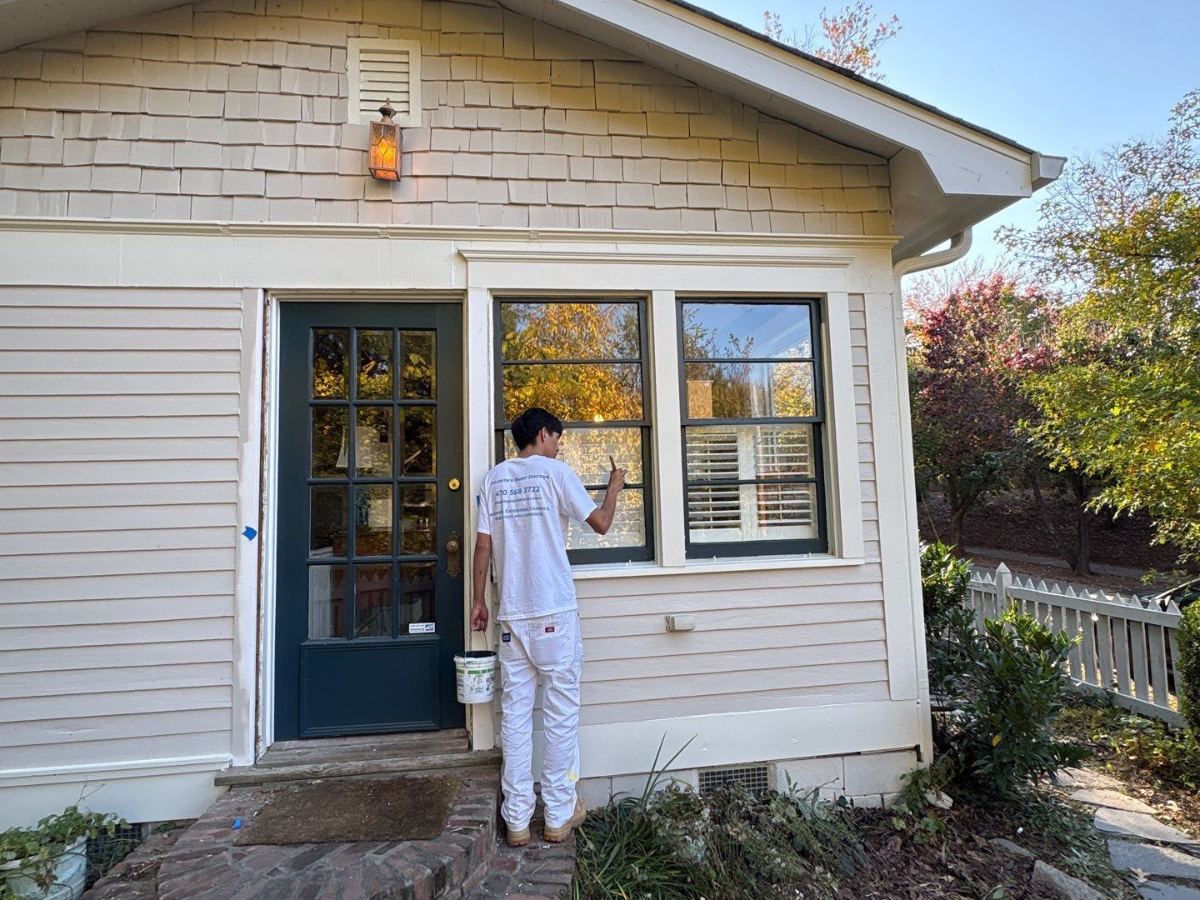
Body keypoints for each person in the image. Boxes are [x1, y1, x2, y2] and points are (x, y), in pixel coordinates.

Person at [470, 407, 626, 846]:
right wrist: (613, 489)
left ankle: (517, 820)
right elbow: (601, 524)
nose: (558, 447)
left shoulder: (494, 479)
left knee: (516, 718)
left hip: (512, 615)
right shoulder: (556, 472)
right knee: (560, 715)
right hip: (554, 610)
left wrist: (478, 601)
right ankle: (557, 816)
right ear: (543, 434)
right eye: (557, 438)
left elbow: (482, 547)